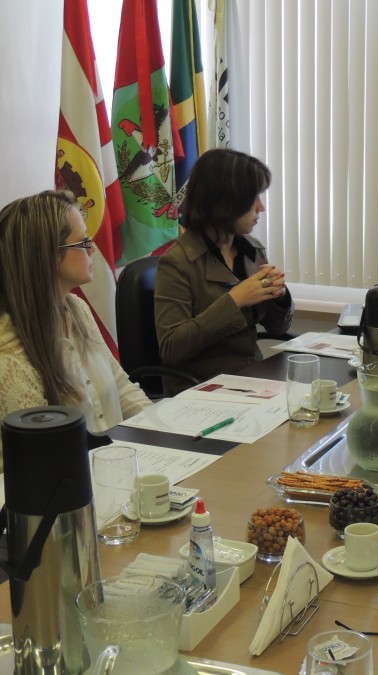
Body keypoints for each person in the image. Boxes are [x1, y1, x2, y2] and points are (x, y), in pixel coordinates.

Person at [0, 190, 152, 457]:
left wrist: (167, 430)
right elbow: (42, 459)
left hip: (119, 462)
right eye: (82, 242)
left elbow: (122, 388)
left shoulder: (76, 308)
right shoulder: (10, 357)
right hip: (75, 477)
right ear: (47, 256)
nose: (92, 248)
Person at [155, 148, 293, 394]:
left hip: (252, 379)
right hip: (203, 388)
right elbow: (171, 348)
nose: (261, 207)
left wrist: (280, 296)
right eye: (253, 197)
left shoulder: (252, 249)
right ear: (225, 202)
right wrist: (234, 301)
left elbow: (278, 329)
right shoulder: (177, 262)